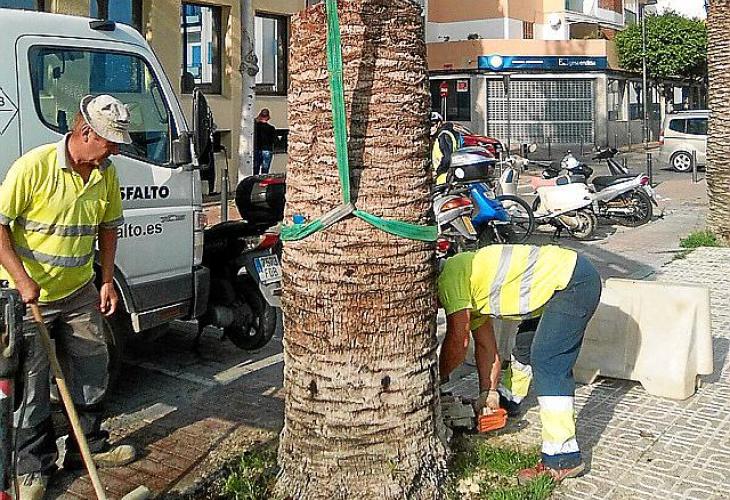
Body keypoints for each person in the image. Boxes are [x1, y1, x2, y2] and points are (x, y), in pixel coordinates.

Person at [0, 94, 137, 499]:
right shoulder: (35, 167)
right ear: (85, 132)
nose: (114, 151)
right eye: (110, 142)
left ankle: (87, 449)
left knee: (93, 366)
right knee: (32, 386)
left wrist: (106, 280)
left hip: (79, 292)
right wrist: (22, 279)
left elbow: (108, 227)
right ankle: (32, 467)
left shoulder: (105, 174)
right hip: (30, 298)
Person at [438, 244, 601, 484]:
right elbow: (485, 347)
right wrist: (488, 393)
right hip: (560, 284)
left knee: (548, 361)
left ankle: (562, 458)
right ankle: (509, 400)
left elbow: (458, 342)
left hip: (573, 283)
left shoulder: (449, 281)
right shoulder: (465, 284)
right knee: (525, 347)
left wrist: (436, 379)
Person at [430, 111, 462, 185]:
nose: (430, 128)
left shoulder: (442, 137)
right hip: (451, 175)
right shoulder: (450, 133)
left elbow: (447, 158)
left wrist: (437, 171)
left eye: (432, 125)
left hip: (443, 177)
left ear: (439, 124)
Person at [254, 108, 276, 175]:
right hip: (267, 149)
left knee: (255, 170)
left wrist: (257, 119)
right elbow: (274, 140)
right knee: (265, 171)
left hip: (257, 149)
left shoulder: (255, 127)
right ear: (268, 118)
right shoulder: (271, 128)